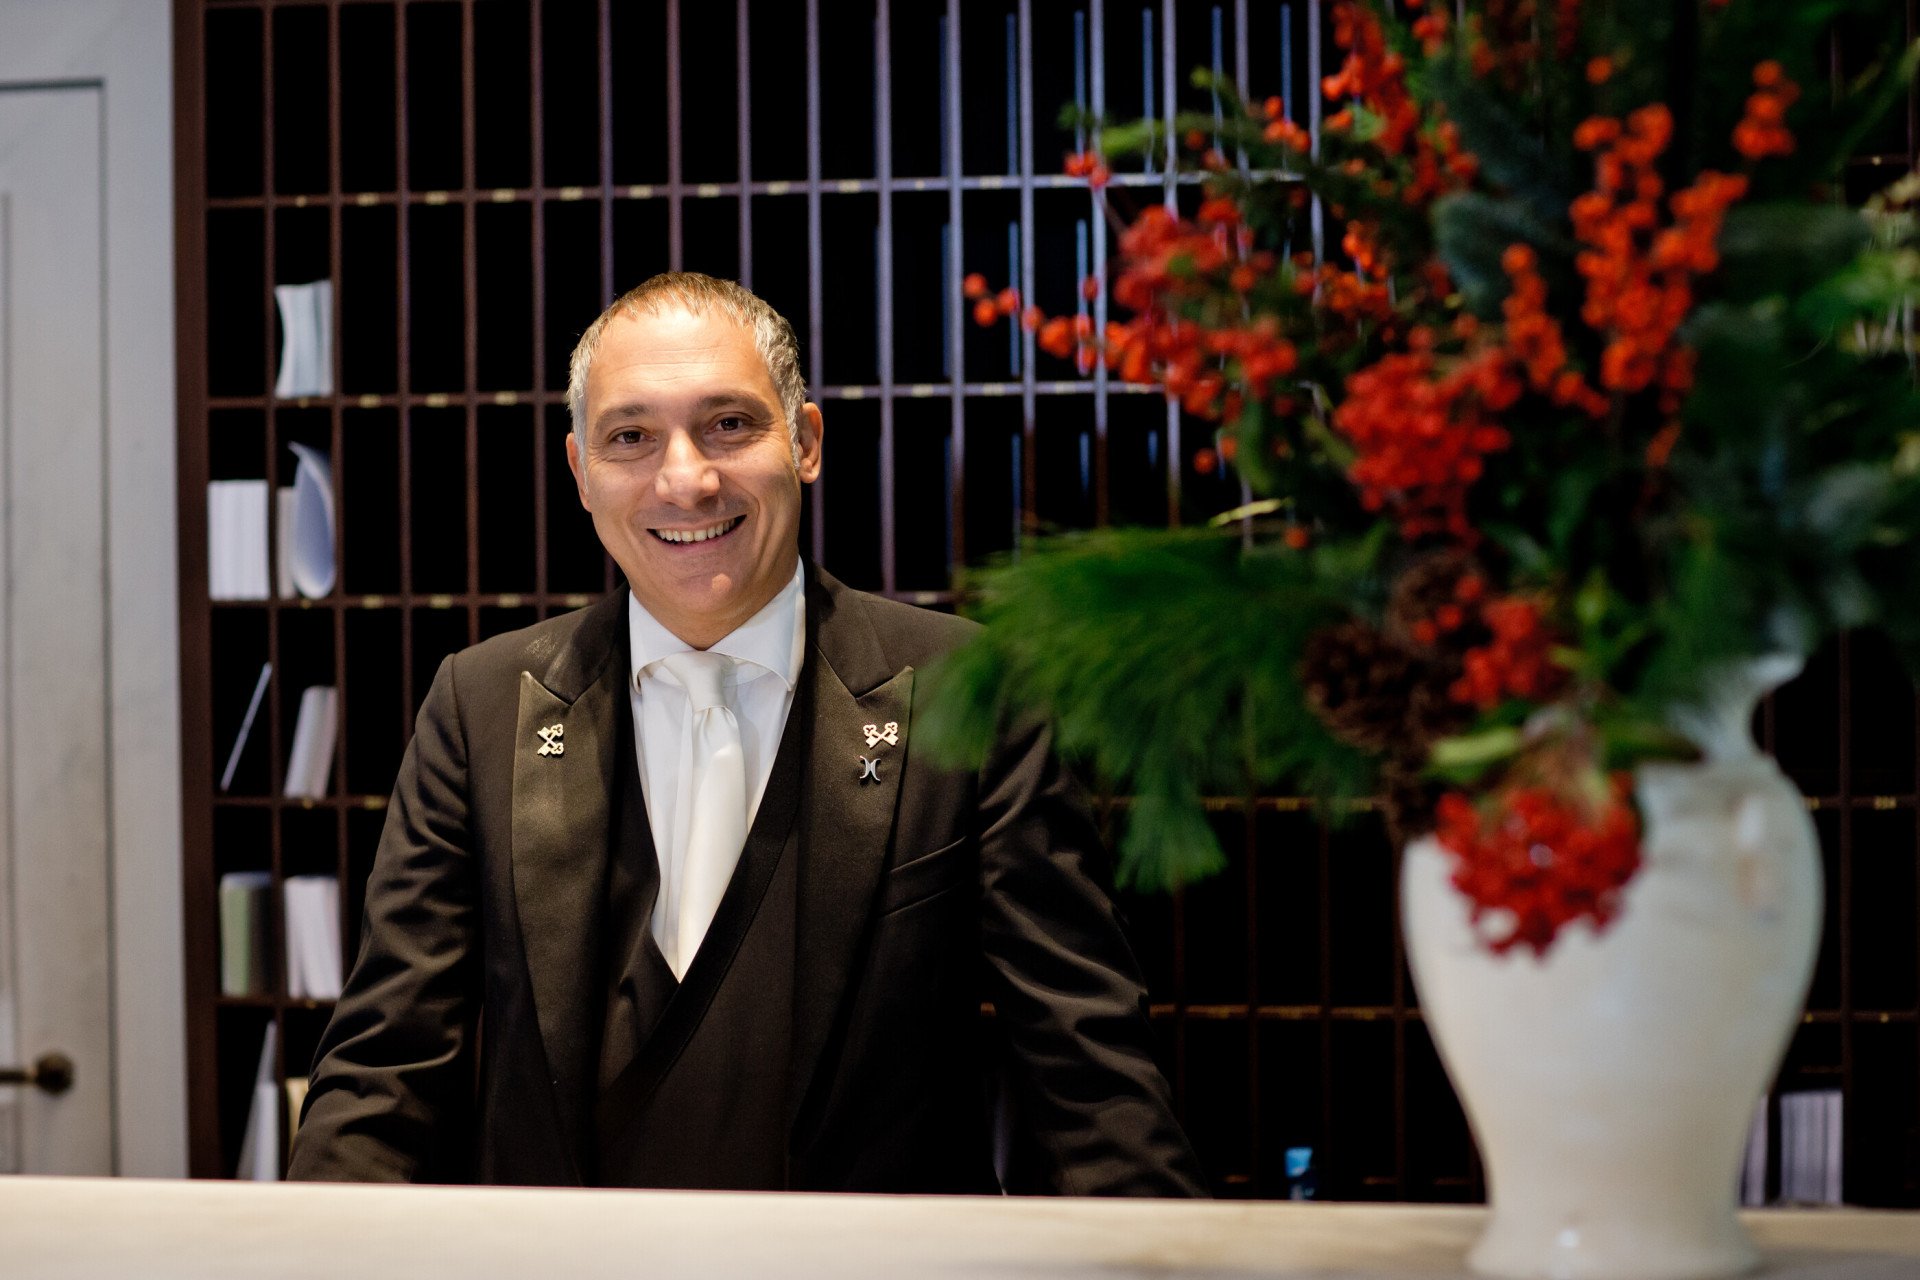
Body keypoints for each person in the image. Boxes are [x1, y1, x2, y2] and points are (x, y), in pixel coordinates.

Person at [287, 272, 1203, 1195]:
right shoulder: (480, 705)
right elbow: (384, 1070)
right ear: (581, 472)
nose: (686, 480)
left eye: (728, 424)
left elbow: (1089, 1077)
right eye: (631, 437)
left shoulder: (970, 694)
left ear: (805, 442)